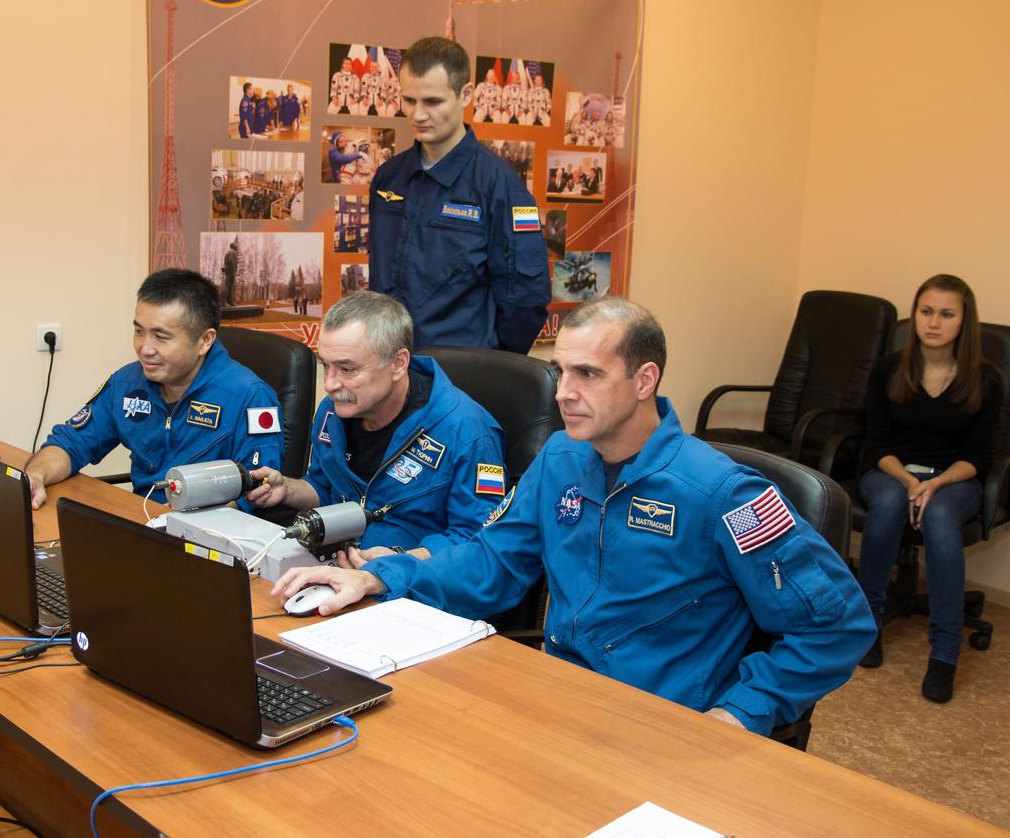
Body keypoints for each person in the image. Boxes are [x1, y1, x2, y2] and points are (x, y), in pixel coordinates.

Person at [274, 297, 876, 736]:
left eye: (588, 374)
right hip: (561, 703)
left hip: (664, 729)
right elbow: (492, 561)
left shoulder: (722, 492)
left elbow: (838, 626)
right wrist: (381, 576)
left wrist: (742, 713)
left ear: (646, 380)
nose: (564, 392)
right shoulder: (561, 458)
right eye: (562, 371)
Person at [247, 291, 507, 557]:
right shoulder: (332, 412)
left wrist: (398, 562)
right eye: (326, 365)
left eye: (347, 369)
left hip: (418, 586)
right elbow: (326, 487)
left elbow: (478, 543)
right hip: (339, 567)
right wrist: (288, 489)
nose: (329, 385)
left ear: (398, 363)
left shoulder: (467, 433)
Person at [855, 274, 1002, 702]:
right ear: (915, 315)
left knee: (938, 514)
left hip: (954, 478)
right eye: (925, 311)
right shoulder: (888, 369)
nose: (933, 322)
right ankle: (868, 625)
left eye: (946, 313)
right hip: (891, 471)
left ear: (964, 321)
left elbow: (979, 456)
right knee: (886, 502)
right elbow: (877, 442)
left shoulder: (985, 378)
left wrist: (934, 484)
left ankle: (945, 651)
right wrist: (907, 481)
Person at [26, 269, 283, 510]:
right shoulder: (126, 383)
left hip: (210, 540)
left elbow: (258, 491)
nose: (144, 348)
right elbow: (71, 443)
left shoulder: (251, 397)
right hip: (142, 522)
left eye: (160, 337)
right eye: (139, 331)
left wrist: (186, 527)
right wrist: (35, 476)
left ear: (205, 341)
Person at [368, 37, 549, 354]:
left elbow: (526, 299)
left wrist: (489, 365)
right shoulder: (389, 178)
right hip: (389, 366)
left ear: (465, 95)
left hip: (461, 376)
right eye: (409, 101)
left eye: (433, 102)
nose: (418, 114)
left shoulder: (502, 186)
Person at [221, 238, 239, 305]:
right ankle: (224, 302)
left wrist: (226, 268)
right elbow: (231, 261)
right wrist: (233, 270)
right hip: (231, 272)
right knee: (229, 287)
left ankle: (230, 302)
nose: (237, 247)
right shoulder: (232, 252)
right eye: (236, 246)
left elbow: (226, 263)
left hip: (228, 271)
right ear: (233, 246)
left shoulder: (228, 252)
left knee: (229, 287)